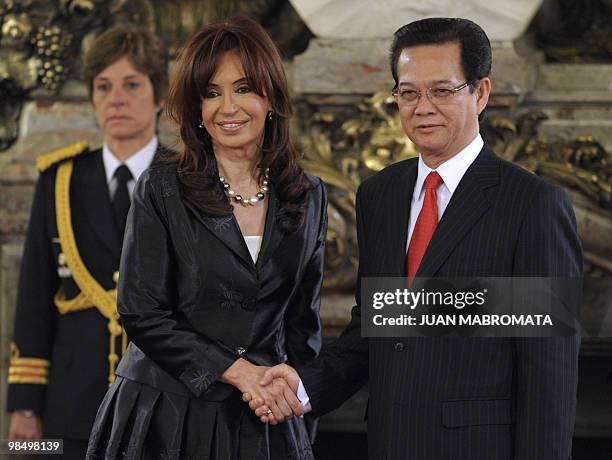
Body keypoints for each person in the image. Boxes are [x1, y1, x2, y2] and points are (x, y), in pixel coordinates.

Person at [252, 17, 582, 459]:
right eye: (408, 92)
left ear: (480, 93)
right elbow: (378, 326)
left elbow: (549, 376)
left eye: (442, 91)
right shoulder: (379, 195)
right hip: (391, 442)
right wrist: (302, 387)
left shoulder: (534, 205)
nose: (422, 106)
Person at [86, 15, 326, 460]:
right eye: (211, 93)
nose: (228, 107)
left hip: (267, 420)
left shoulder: (308, 193)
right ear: (196, 108)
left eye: (244, 88)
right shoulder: (161, 186)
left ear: (271, 94)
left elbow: (302, 325)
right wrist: (238, 372)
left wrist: (298, 407)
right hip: (166, 416)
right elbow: (142, 312)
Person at [5, 25, 169, 459]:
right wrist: (24, 405)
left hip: (168, 403)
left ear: (160, 95)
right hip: (72, 404)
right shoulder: (60, 179)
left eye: (132, 84)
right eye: (103, 86)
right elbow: (35, 297)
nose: (116, 98)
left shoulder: (187, 180)